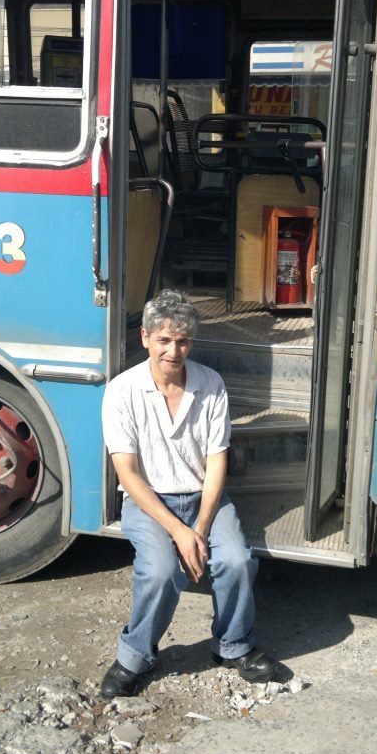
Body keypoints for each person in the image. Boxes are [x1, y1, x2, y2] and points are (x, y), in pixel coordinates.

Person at [100, 288, 276, 697]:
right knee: (161, 570)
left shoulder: (210, 384)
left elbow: (217, 463)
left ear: (191, 343)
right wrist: (180, 534)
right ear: (145, 338)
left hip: (202, 498)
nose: (173, 351)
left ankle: (233, 646)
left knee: (235, 560)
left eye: (182, 341)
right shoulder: (122, 391)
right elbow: (127, 473)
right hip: (149, 502)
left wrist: (198, 525)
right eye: (163, 340)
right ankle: (135, 657)